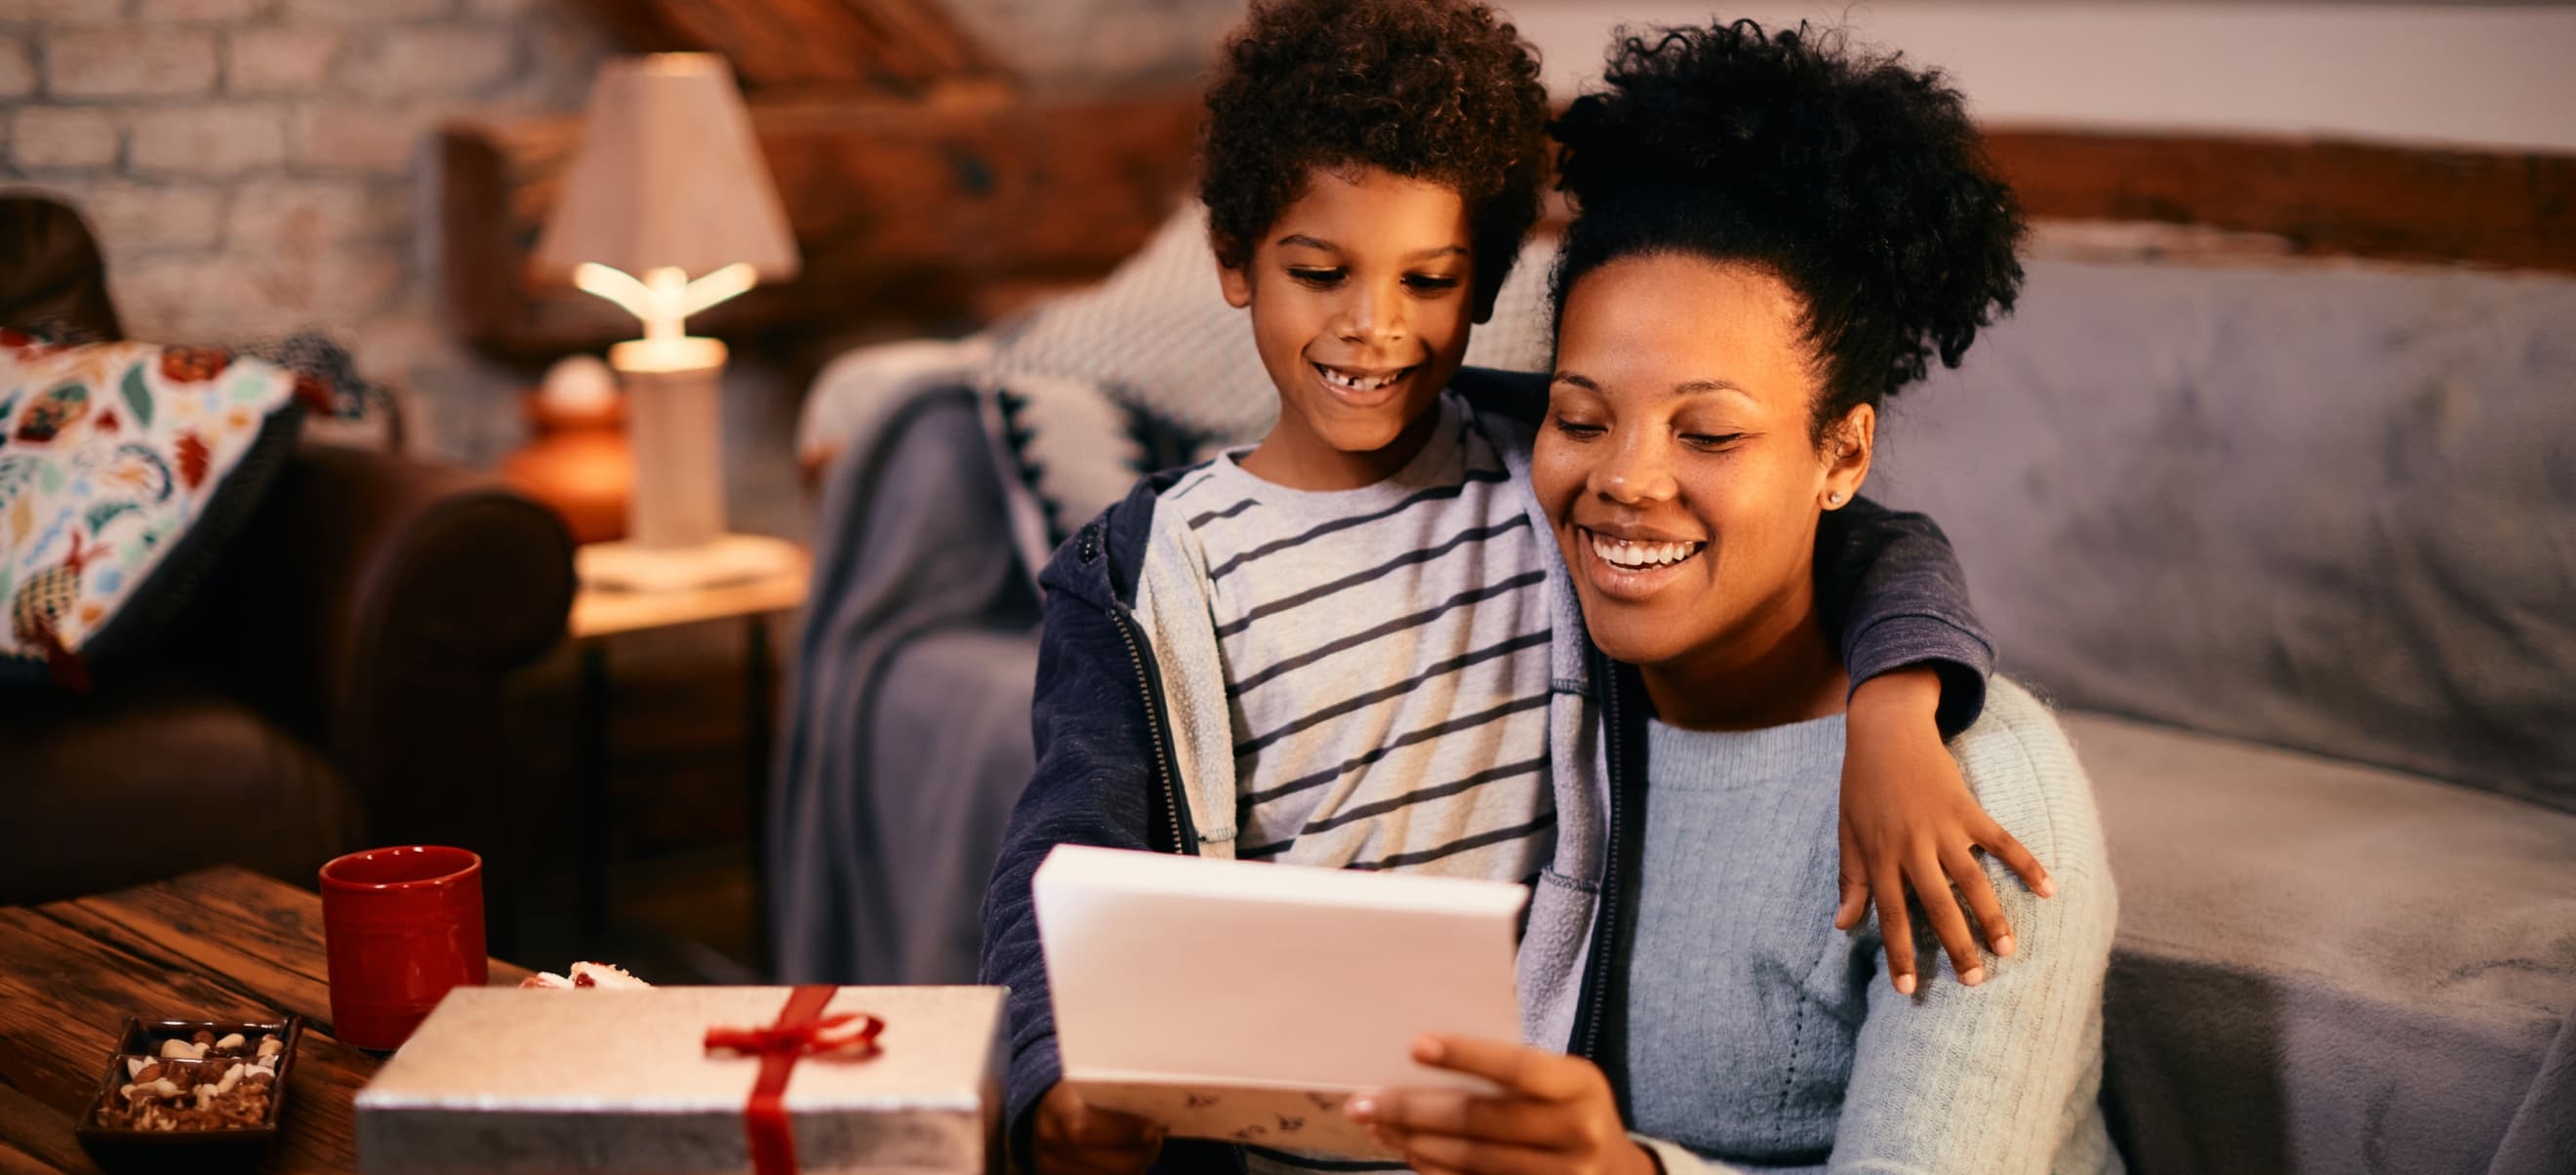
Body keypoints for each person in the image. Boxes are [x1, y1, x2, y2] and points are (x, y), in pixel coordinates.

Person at [979, 6, 2049, 1173]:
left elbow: (1864, 540)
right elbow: (1061, 854)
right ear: (1234, 260)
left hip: (1508, 1103)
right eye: (1320, 271)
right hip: (1262, 1132)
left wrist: (1898, 707)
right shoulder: (1144, 574)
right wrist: (1051, 1082)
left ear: (1483, 284)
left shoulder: (1530, 466)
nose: (1373, 325)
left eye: (1429, 279)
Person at [1349, 20, 2120, 1175]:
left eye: (1710, 431)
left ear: (1842, 456)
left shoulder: (1980, 801)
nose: (1625, 479)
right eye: (1579, 416)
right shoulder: (1538, 676)